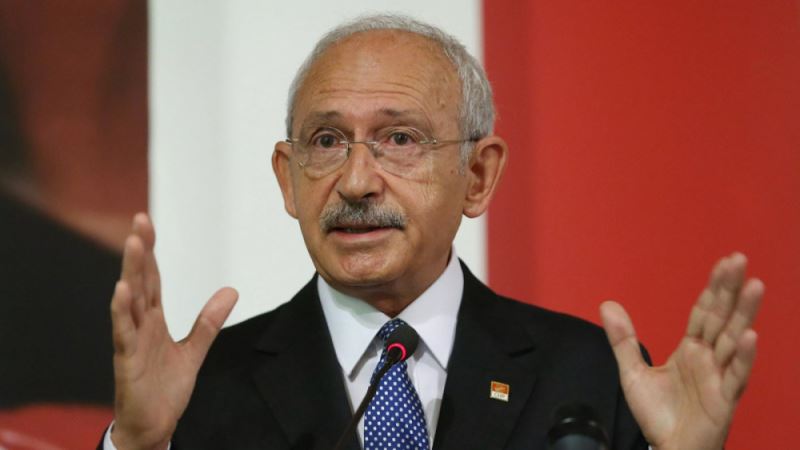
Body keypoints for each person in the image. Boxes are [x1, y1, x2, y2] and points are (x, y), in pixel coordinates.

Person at [102, 14, 763, 450]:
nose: (356, 181)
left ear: (477, 175)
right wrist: (135, 445)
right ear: (289, 178)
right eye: (327, 141)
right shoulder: (202, 391)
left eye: (399, 139)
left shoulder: (589, 378)